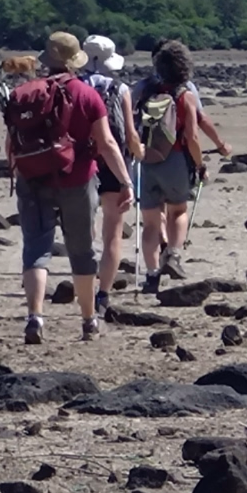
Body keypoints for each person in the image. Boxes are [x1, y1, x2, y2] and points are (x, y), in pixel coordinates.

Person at [2, 32, 133, 342]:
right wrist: (125, 181)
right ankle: (88, 320)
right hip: (77, 178)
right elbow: (107, 143)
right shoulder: (87, 94)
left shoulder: (24, 93)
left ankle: (35, 317)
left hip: (32, 179)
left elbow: (10, 145)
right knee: (82, 251)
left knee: (35, 250)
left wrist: (19, 173)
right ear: (75, 62)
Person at [134, 40, 208, 291]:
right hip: (175, 160)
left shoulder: (145, 91)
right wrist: (199, 165)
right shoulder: (184, 95)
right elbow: (193, 137)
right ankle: (174, 255)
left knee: (151, 223)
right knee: (178, 211)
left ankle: (152, 274)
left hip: (146, 160)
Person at [77, 33, 142, 313]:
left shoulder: (74, 87)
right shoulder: (121, 88)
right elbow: (129, 133)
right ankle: (103, 294)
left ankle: (86, 290)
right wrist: (138, 155)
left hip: (82, 163)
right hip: (114, 163)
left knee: (84, 233)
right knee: (113, 232)